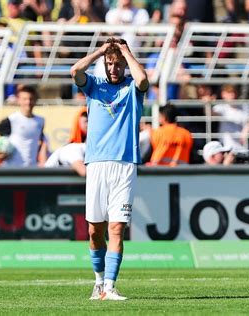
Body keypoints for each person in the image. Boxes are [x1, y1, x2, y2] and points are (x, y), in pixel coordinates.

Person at [70, 36, 148, 300]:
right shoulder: (94, 86)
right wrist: (100, 51)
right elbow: (75, 71)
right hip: (97, 165)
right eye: (110, 63)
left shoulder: (132, 88)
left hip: (125, 165)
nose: (114, 68)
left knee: (116, 228)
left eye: (118, 64)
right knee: (94, 230)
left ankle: (110, 287)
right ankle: (99, 282)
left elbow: (143, 79)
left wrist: (126, 52)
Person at [0, 85, 47, 167]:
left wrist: (42, 162)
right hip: (12, 168)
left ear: (35, 100)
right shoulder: (12, 120)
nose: (28, 102)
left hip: (31, 168)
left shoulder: (40, 121)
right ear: (18, 100)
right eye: (24, 99)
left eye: (31, 99)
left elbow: (40, 143)